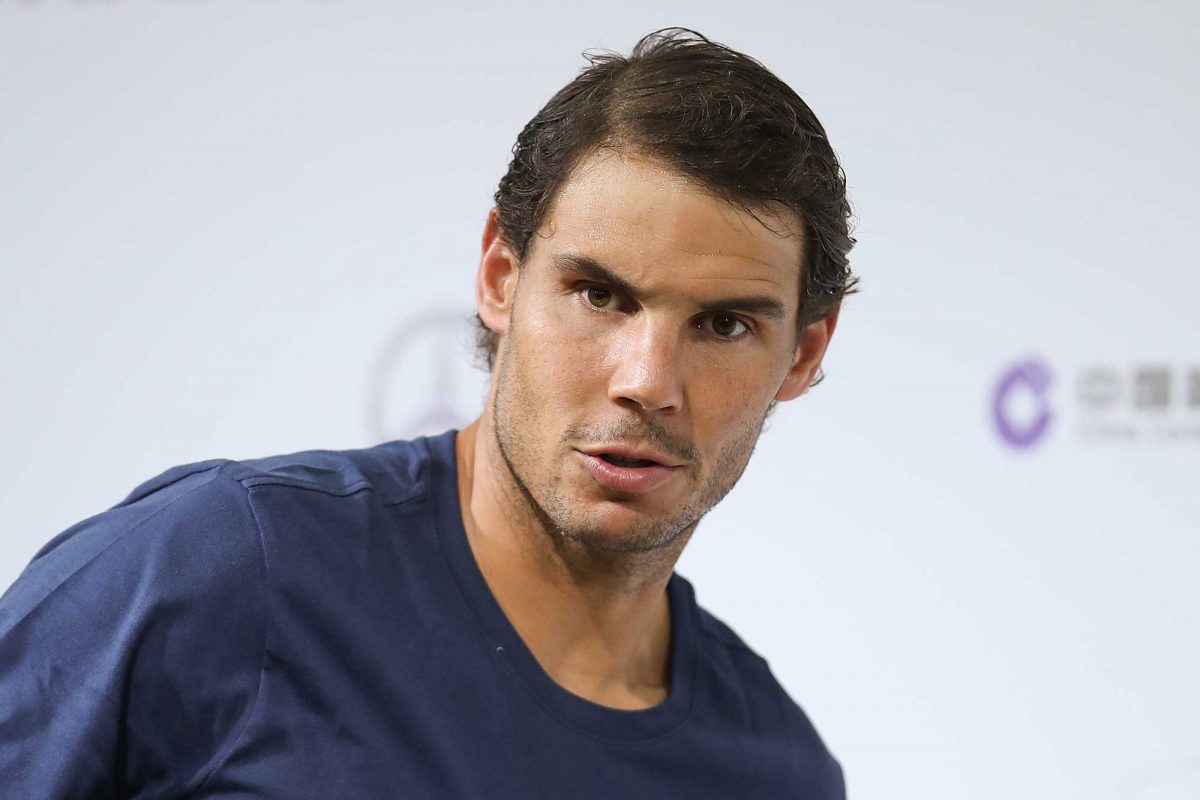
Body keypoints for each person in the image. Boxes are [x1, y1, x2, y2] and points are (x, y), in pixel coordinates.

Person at [0, 28, 856, 798]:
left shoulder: (777, 772)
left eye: (724, 324)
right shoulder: (218, 569)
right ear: (499, 277)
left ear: (805, 353)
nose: (647, 381)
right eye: (599, 295)